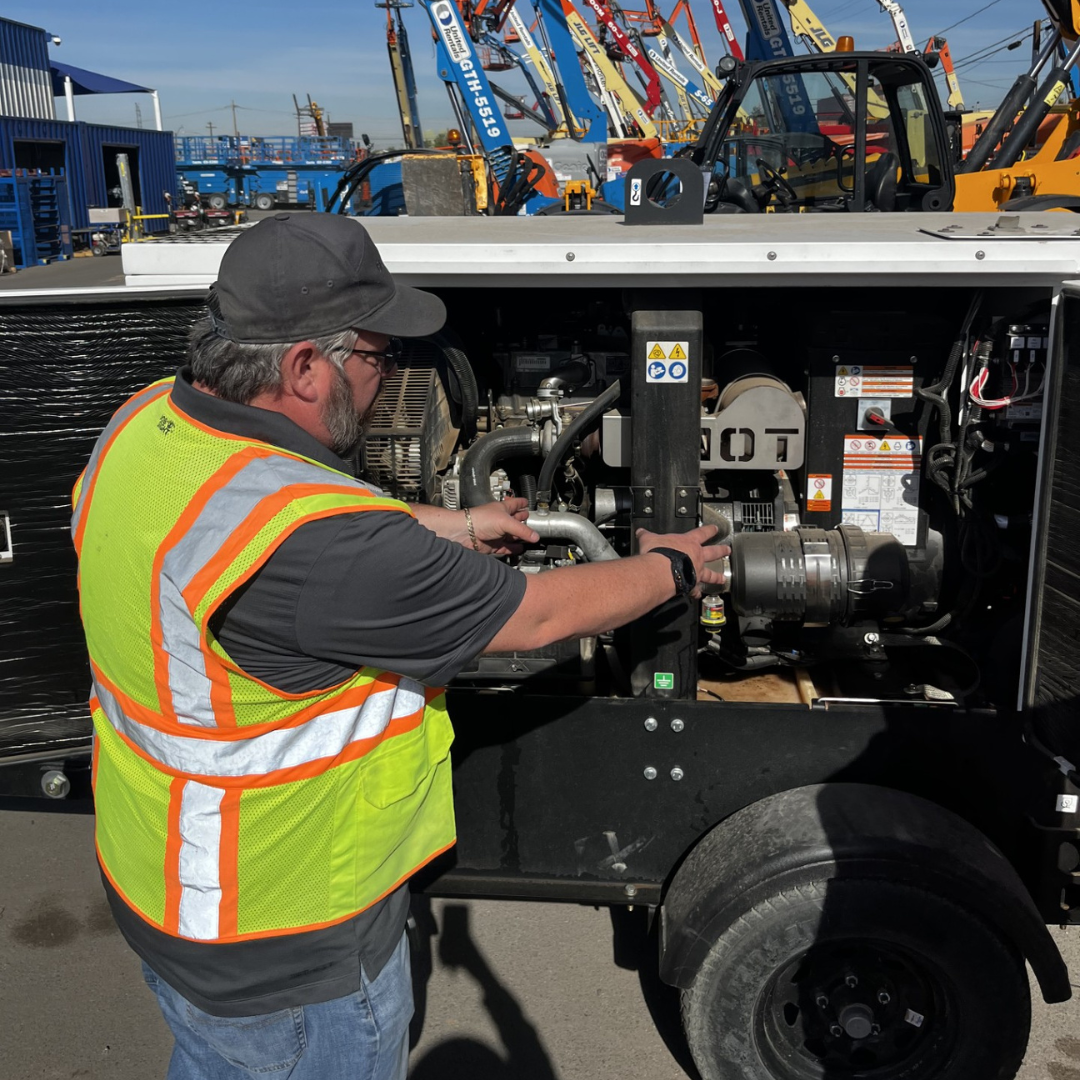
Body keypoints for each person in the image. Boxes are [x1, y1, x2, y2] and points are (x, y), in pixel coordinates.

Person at [71, 212, 724, 1080]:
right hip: (289, 933)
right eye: (377, 356)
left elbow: (288, 504)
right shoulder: (323, 549)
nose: (387, 377)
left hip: (166, 887)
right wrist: (670, 569)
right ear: (306, 365)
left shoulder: (151, 423)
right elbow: (532, 618)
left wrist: (455, 523)